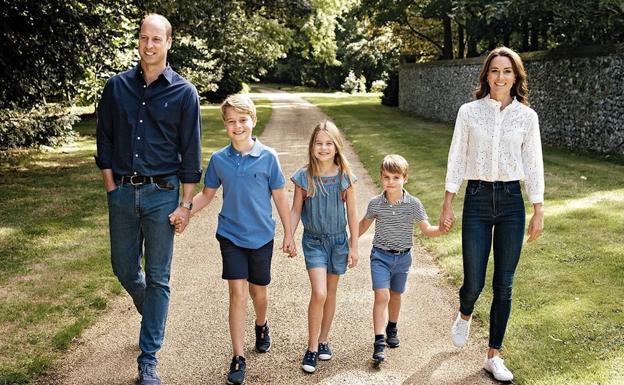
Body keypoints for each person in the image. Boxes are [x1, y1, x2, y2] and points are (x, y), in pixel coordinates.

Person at [94, 13, 201, 385]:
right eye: (144, 38)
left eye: (157, 39)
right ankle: (152, 313)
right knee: (124, 267)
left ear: (169, 43)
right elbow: (103, 139)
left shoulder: (184, 93)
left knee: (158, 277)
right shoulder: (116, 86)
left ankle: (149, 359)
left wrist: (185, 205)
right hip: (122, 191)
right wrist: (110, 186)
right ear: (138, 41)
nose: (149, 45)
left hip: (162, 194)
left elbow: (191, 154)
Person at [171, 94, 296, 385]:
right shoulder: (219, 160)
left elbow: (280, 197)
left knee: (258, 293)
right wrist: (185, 210)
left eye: (242, 120)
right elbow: (207, 195)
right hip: (231, 235)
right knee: (237, 294)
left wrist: (289, 233)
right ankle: (239, 356)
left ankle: (261, 325)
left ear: (253, 120)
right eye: (231, 122)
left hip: (262, 236)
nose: (237, 126)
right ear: (225, 125)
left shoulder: (268, 157)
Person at [439, 46, 544, 382]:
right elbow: (457, 157)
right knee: (474, 282)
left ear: (516, 77)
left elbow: (533, 164)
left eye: (507, 71)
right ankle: (465, 313)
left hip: (512, 200)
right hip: (478, 199)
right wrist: (447, 202)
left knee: (505, 284)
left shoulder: (527, 117)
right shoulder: (469, 112)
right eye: (495, 70)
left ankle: (493, 356)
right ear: (486, 75)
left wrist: (538, 208)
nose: (501, 77)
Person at [359, 154, 448, 365]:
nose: (391, 182)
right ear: (381, 177)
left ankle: (392, 327)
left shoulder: (413, 204)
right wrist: (350, 242)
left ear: (405, 178)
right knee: (382, 296)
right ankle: (379, 343)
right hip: (380, 256)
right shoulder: (375, 204)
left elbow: (426, 229)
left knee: (396, 296)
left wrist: (441, 229)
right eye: (387, 177)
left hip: (403, 258)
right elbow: (363, 225)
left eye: (396, 177)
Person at [289, 120, 359, 374]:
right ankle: (311, 348)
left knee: (330, 293)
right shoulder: (304, 176)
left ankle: (324, 339)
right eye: (319, 143)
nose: (323, 147)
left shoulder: (345, 177)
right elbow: (296, 209)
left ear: (337, 146)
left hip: (339, 241)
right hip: (314, 241)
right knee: (319, 293)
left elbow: (352, 213)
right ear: (312, 146)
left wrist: (354, 246)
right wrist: (289, 234)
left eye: (329, 143)